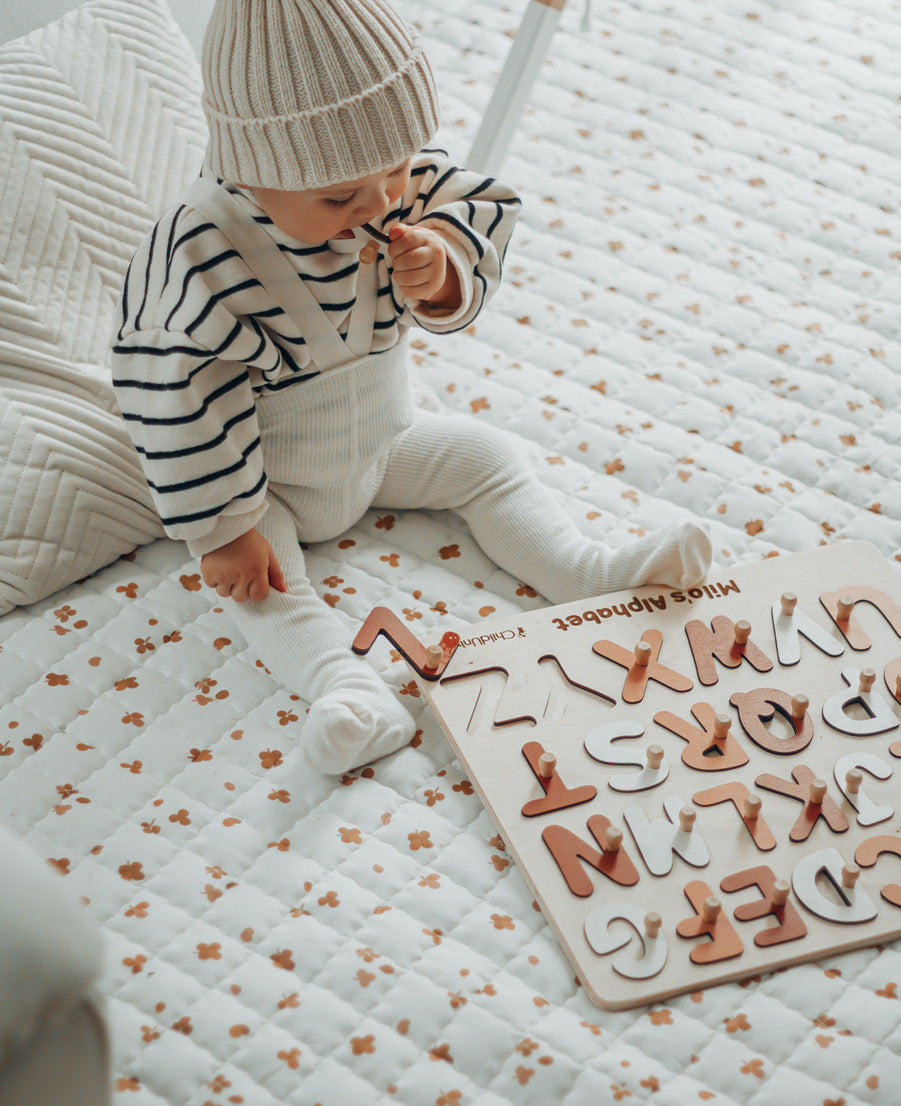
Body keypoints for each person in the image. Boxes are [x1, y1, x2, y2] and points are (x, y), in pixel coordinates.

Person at [111, 0, 712, 774]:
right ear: (250, 170)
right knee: (260, 587)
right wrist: (224, 529)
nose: (379, 203)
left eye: (397, 169)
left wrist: (442, 269)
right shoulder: (200, 252)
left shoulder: (391, 181)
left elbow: (481, 208)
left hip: (385, 442)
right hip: (269, 485)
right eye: (339, 198)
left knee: (485, 456)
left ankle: (590, 572)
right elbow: (170, 390)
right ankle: (343, 689)